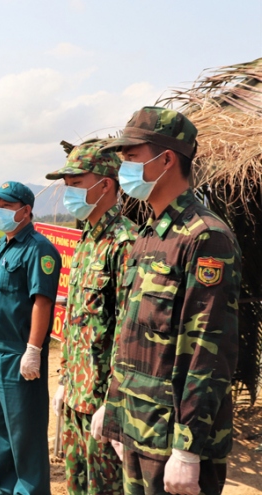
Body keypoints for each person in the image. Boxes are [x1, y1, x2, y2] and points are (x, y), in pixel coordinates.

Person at [100, 107, 241, 495]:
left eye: (131, 156)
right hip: (136, 426)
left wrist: (189, 450)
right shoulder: (147, 235)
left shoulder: (206, 238)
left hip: (172, 442)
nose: (122, 166)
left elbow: (207, 351)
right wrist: (113, 411)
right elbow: (130, 335)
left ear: (165, 159)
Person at [45, 139, 137, 494]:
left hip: (103, 402)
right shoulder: (87, 241)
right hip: (76, 396)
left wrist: (114, 402)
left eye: (76, 184)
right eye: (66, 185)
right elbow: (76, 323)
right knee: (75, 484)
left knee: (105, 488)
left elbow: (128, 332)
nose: (68, 193)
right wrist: (65, 379)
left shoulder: (124, 242)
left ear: (105, 185)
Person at [0, 180, 60, 495]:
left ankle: (30, 491)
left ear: (25, 211)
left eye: (6, 206)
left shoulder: (38, 249)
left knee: (25, 433)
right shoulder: (0, 247)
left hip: (18, 354)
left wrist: (34, 349)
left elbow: (42, 301)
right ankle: (5, 489)